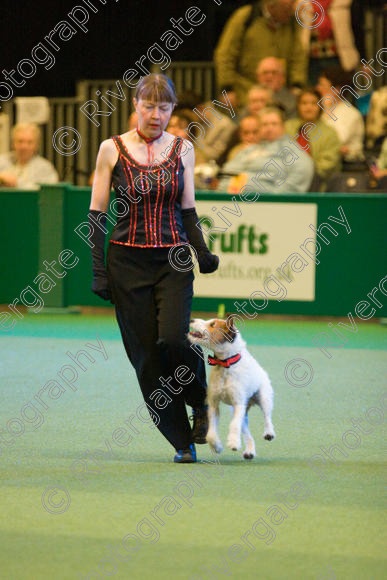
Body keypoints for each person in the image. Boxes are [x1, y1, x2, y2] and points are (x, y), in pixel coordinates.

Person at [88, 74, 219, 464]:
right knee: (146, 357)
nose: (156, 114)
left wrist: (203, 252)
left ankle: (201, 401)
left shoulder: (183, 149)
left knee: (176, 339)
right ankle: (181, 441)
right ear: (135, 105)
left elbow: (188, 209)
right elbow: (97, 214)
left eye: (164, 107)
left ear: (172, 110)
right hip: (126, 264)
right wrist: (99, 270)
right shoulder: (110, 149)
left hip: (173, 260)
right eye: (148, 106)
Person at [214, 0, 307, 105]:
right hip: (245, 93)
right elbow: (225, 54)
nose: (291, 12)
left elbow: (298, 57)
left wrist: (297, 85)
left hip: (280, 95)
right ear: (272, 6)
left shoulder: (292, 24)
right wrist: (227, 88)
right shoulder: (246, 17)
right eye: (286, 8)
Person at [217, 106, 314, 193]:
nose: (269, 128)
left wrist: (275, 197)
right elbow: (228, 171)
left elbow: (303, 170)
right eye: (265, 124)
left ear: (283, 127)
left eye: (274, 124)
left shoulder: (292, 150)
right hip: (237, 199)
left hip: (272, 204)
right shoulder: (251, 148)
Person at [285, 88, 341, 189]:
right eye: (304, 103)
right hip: (285, 180)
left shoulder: (330, 133)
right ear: (298, 106)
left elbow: (328, 164)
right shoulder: (287, 127)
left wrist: (304, 174)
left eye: (313, 103)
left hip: (317, 184)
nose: (308, 107)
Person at [316, 66, 365, 162]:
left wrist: (326, 110)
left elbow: (336, 140)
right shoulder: (320, 109)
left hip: (349, 166)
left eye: (322, 85)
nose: (317, 88)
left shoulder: (350, 113)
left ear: (336, 90)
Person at [0, 123, 58, 189]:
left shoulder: (45, 168)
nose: (24, 146)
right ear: (13, 143)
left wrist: (16, 183)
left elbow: (51, 192)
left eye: (29, 142)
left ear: (36, 145)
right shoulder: (2, 161)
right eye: (20, 141)